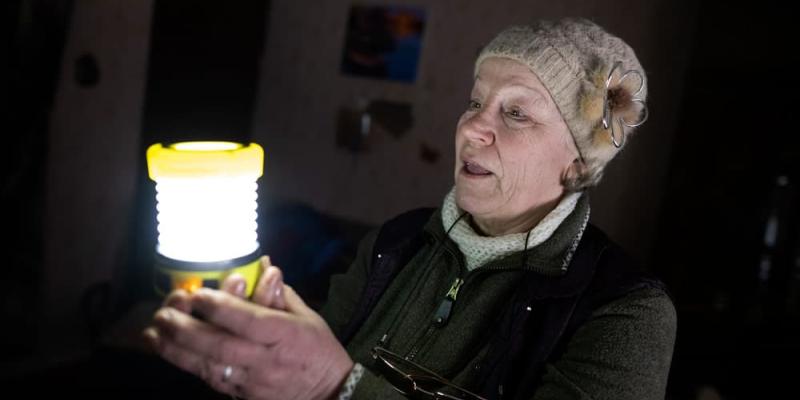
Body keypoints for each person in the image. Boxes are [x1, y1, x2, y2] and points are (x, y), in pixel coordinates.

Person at [143, 18, 676, 400]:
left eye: (515, 113)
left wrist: (336, 386)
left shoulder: (626, 313)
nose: (471, 128)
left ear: (576, 163)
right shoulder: (394, 243)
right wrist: (260, 363)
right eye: (474, 102)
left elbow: (324, 382)